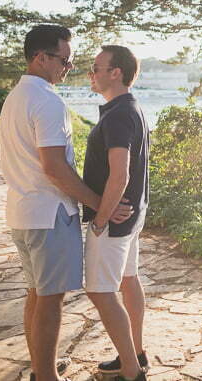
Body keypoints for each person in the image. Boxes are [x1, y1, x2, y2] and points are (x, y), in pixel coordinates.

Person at [0, 25, 132, 381]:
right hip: (50, 214)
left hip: (22, 213)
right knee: (50, 300)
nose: (68, 68)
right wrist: (98, 203)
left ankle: (41, 367)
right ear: (40, 57)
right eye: (65, 60)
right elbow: (54, 167)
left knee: (36, 294)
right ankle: (46, 376)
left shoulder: (15, 97)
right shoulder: (47, 100)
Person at [83, 45, 150, 381]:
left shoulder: (120, 113)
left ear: (116, 73)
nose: (90, 73)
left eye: (96, 67)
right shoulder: (129, 107)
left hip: (114, 218)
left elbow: (119, 173)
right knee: (128, 280)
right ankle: (136, 353)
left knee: (99, 290)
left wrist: (99, 218)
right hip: (132, 215)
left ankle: (131, 370)